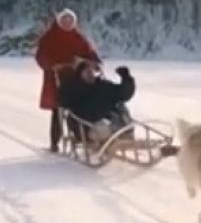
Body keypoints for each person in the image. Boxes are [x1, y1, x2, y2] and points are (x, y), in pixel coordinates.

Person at [33, 9, 101, 152]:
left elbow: (89, 51)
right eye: (65, 21)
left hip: (79, 77)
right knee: (58, 108)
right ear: (59, 21)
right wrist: (51, 65)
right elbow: (41, 55)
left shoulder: (78, 37)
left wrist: (95, 61)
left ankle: (94, 133)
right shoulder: (49, 37)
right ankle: (54, 141)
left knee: (89, 103)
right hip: (57, 78)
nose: (68, 24)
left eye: (70, 21)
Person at [57, 60, 136, 142]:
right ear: (79, 74)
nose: (90, 73)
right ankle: (115, 134)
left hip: (109, 123)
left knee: (121, 108)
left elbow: (123, 94)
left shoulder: (104, 86)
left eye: (92, 71)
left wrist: (126, 77)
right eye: (87, 71)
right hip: (86, 126)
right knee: (103, 126)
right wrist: (66, 79)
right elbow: (62, 100)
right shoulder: (74, 88)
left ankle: (125, 132)